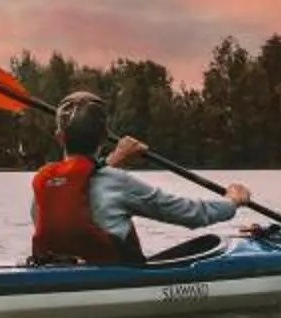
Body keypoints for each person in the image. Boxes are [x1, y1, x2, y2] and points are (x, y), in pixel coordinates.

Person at [29, 90, 251, 265]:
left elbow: (86, 187)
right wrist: (232, 203)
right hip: (118, 279)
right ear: (105, 137)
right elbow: (189, 214)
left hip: (58, 274)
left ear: (59, 138)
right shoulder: (118, 183)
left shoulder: (45, 186)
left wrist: (114, 159)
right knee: (204, 246)